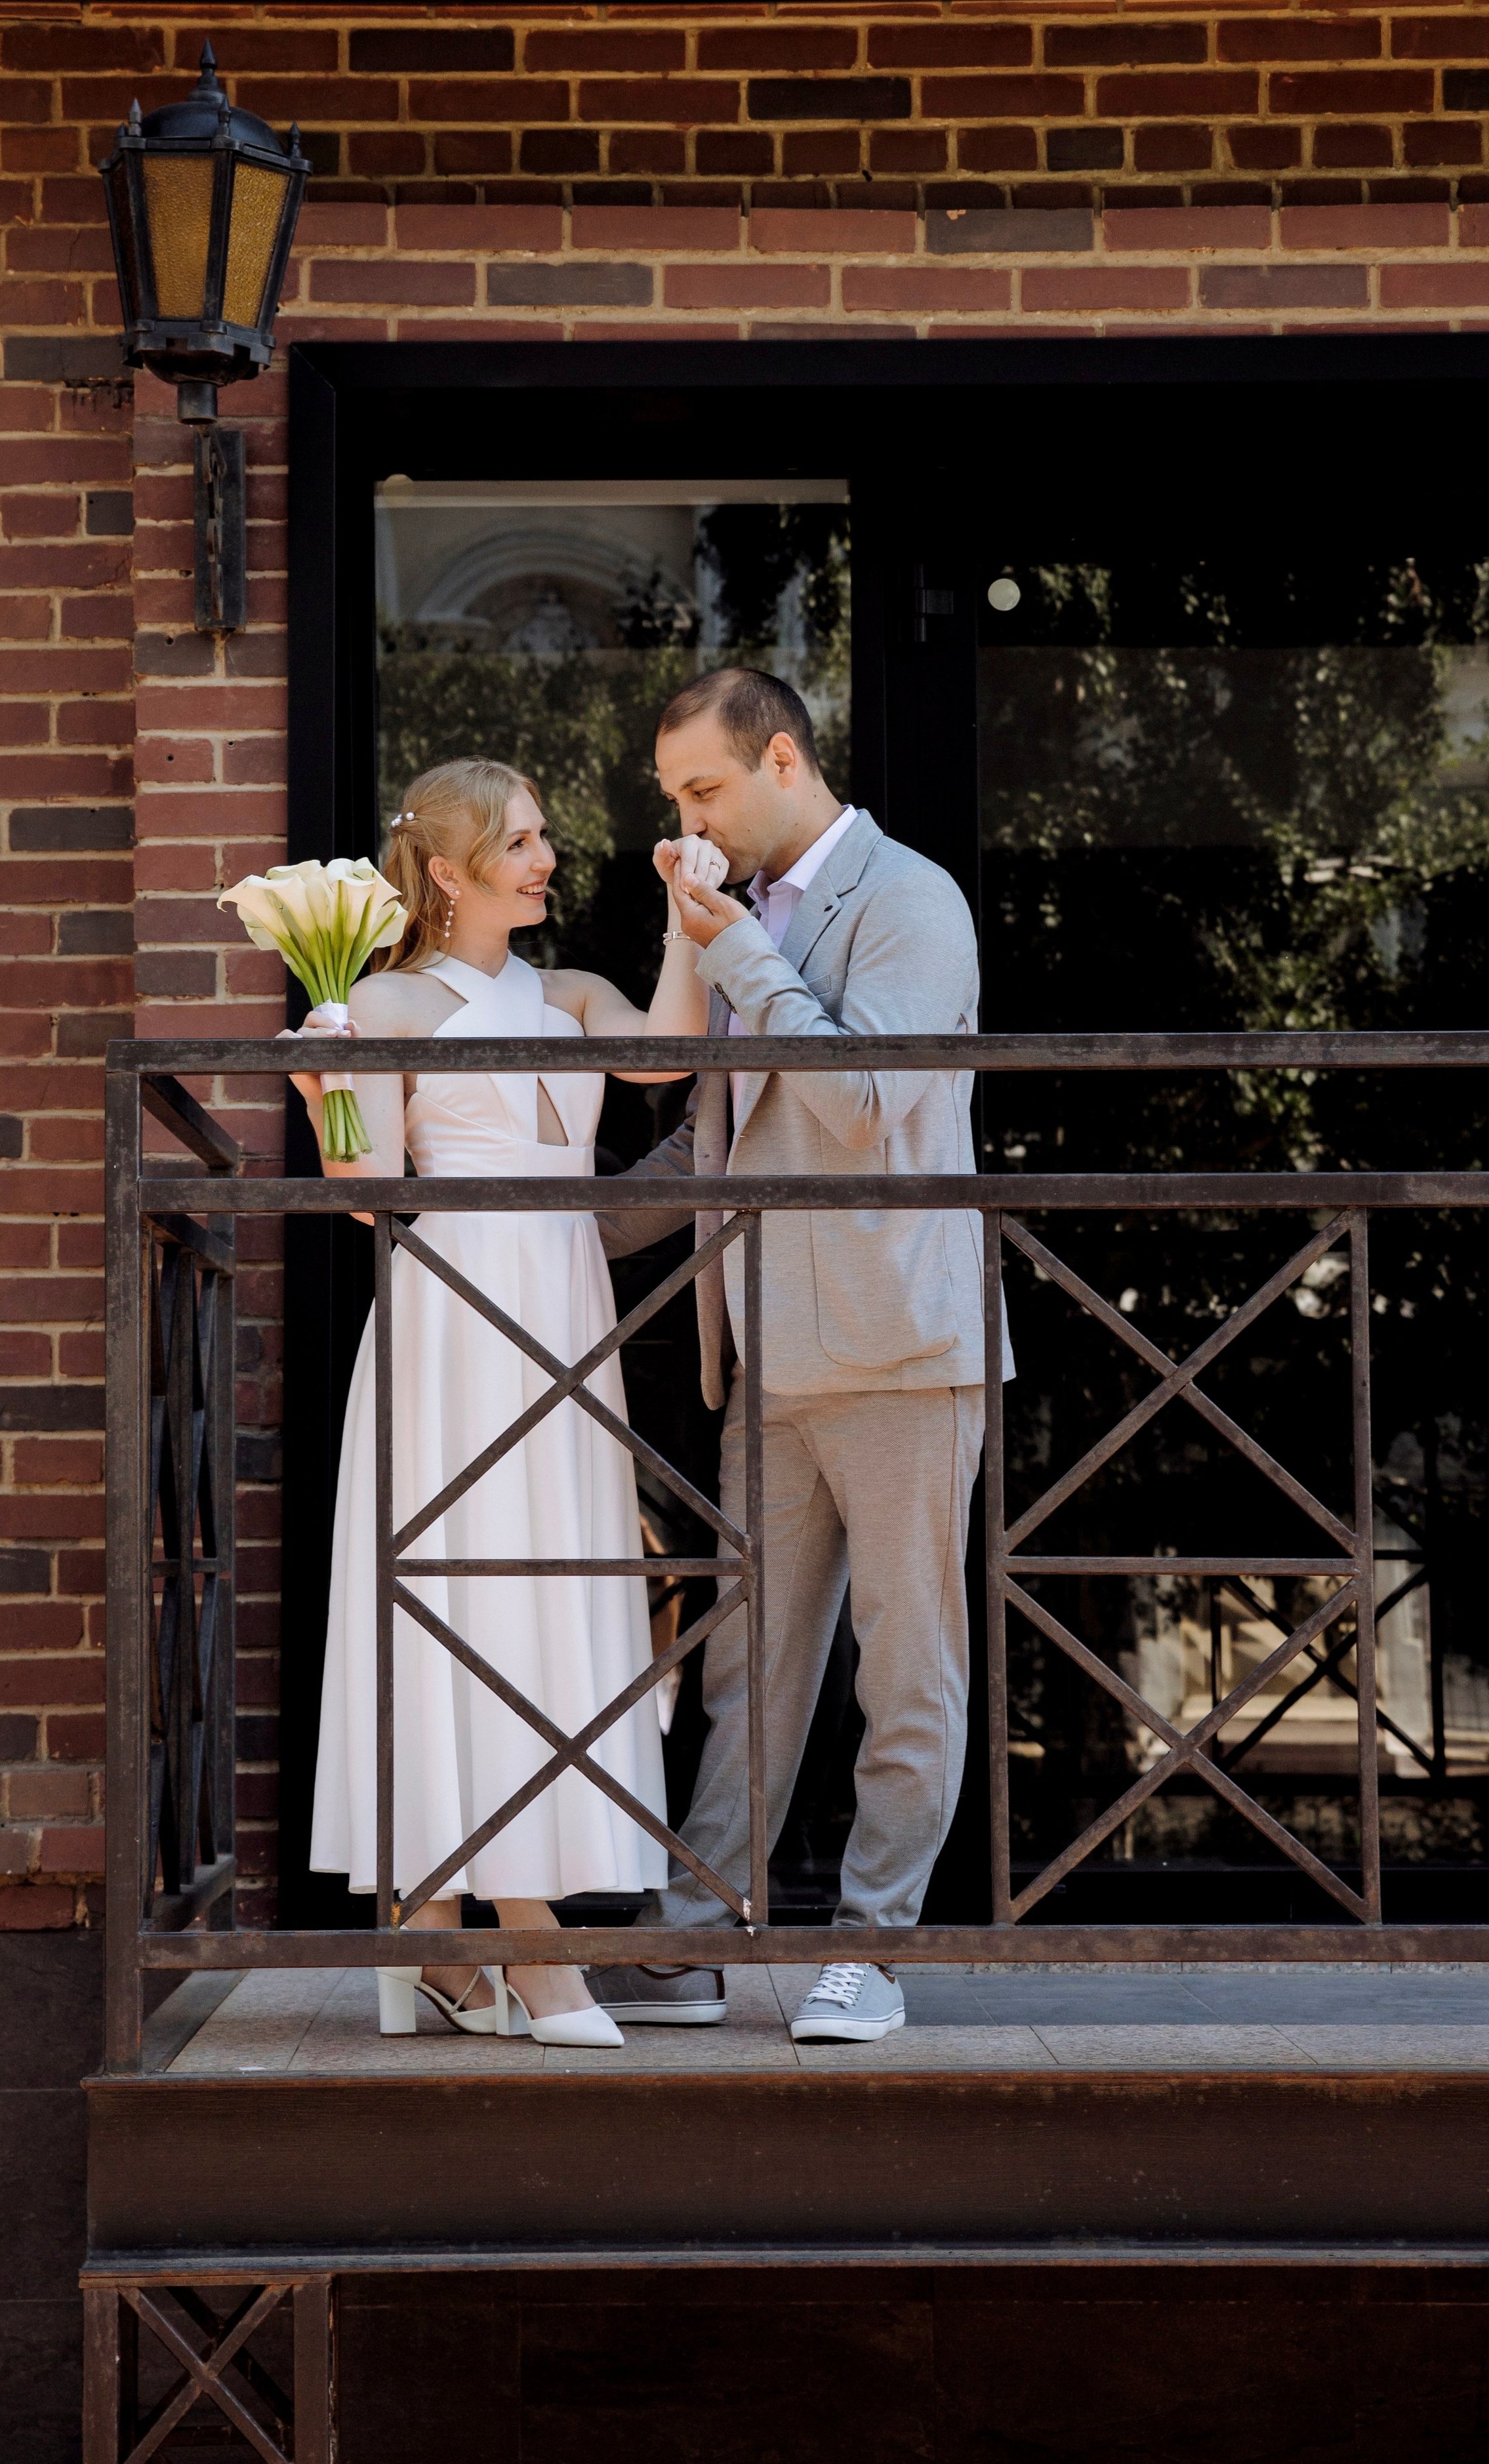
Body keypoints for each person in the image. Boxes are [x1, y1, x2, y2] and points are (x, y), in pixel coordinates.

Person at [590, 668, 1008, 2046]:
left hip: (899, 1347)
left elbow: (866, 1100)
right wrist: (524, 1229)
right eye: (671, 798)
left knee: (905, 1666)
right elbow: (703, 1142)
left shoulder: (908, 900)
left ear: (779, 760)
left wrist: (738, 958)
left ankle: (872, 1949)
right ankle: (693, 1943)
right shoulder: (737, 924)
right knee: (742, 1667)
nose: (685, 822)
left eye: (702, 790)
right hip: (764, 1356)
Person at [287, 756, 724, 2049]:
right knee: (460, 1593)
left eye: (542, 838)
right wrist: (328, 1085)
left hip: (562, 1312)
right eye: (518, 842)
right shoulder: (387, 1001)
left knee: (546, 1594)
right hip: (455, 1312)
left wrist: (689, 921)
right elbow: (364, 1187)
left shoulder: (570, 990)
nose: (544, 859)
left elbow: (667, 1053)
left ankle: (429, 1945)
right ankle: (524, 1950)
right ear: (446, 870)